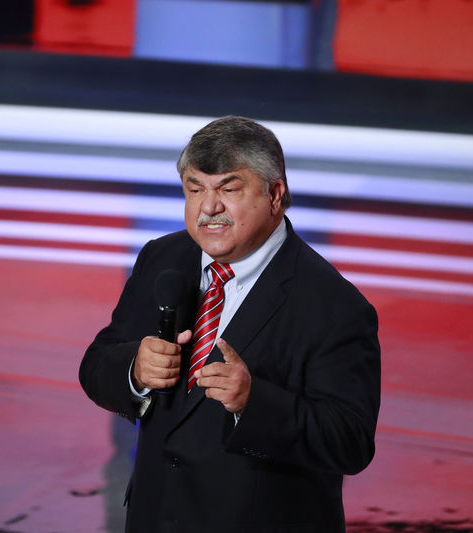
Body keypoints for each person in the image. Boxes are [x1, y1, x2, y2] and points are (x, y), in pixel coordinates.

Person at [80, 116, 381, 533]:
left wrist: (252, 402)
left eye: (228, 189)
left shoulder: (334, 306)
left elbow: (350, 442)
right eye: (195, 189)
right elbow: (95, 366)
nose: (208, 208)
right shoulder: (161, 259)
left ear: (275, 194)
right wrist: (134, 370)